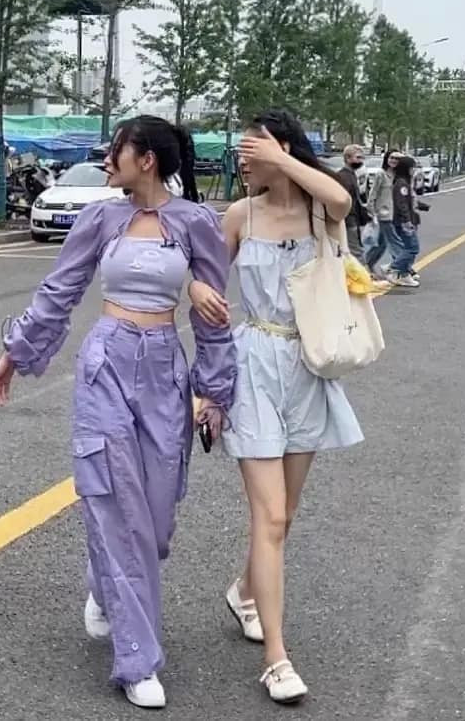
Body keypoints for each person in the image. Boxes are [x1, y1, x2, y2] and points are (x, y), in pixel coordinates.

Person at [0, 115, 236, 710]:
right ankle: (138, 662)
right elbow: (60, 291)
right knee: (116, 502)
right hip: (106, 367)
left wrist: (214, 392)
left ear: (145, 159)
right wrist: (14, 356)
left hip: (164, 373)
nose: (106, 161)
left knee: (156, 520)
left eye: (115, 151)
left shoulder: (196, 223)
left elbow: (215, 316)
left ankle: (106, 585)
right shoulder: (99, 219)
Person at [188, 109, 363, 704]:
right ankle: (277, 659)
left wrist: (281, 160)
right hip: (254, 364)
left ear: (282, 148)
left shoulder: (319, 210)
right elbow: (204, 278)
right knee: (270, 517)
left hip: (309, 364)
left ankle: (244, 592)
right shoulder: (240, 214)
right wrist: (196, 289)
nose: (243, 161)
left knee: (284, 515)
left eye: (251, 150)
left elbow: (340, 199)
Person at [365, 149, 404, 276]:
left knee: (381, 244)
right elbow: (373, 193)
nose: (394, 161)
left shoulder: (400, 176)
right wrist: (371, 211)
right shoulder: (381, 174)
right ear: (386, 159)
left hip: (395, 214)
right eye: (391, 158)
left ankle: (366, 264)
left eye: (397, 159)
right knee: (395, 242)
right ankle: (403, 269)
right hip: (383, 214)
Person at [386, 155, 421, 288]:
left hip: (406, 219)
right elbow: (401, 204)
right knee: (412, 248)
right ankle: (393, 268)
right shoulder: (401, 183)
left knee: (408, 247)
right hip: (403, 221)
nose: (414, 170)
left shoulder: (404, 182)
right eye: (412, 168)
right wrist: (407, 220)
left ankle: (404, 274)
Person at [336, 144, 369, 262]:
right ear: (347, 158)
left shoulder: (351, 175)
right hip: (348, 221)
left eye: (362, 158)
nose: (361, 161)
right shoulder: (343, 176)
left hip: (352, 220)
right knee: (356, 253)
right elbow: (342, 201)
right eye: (358, 157)